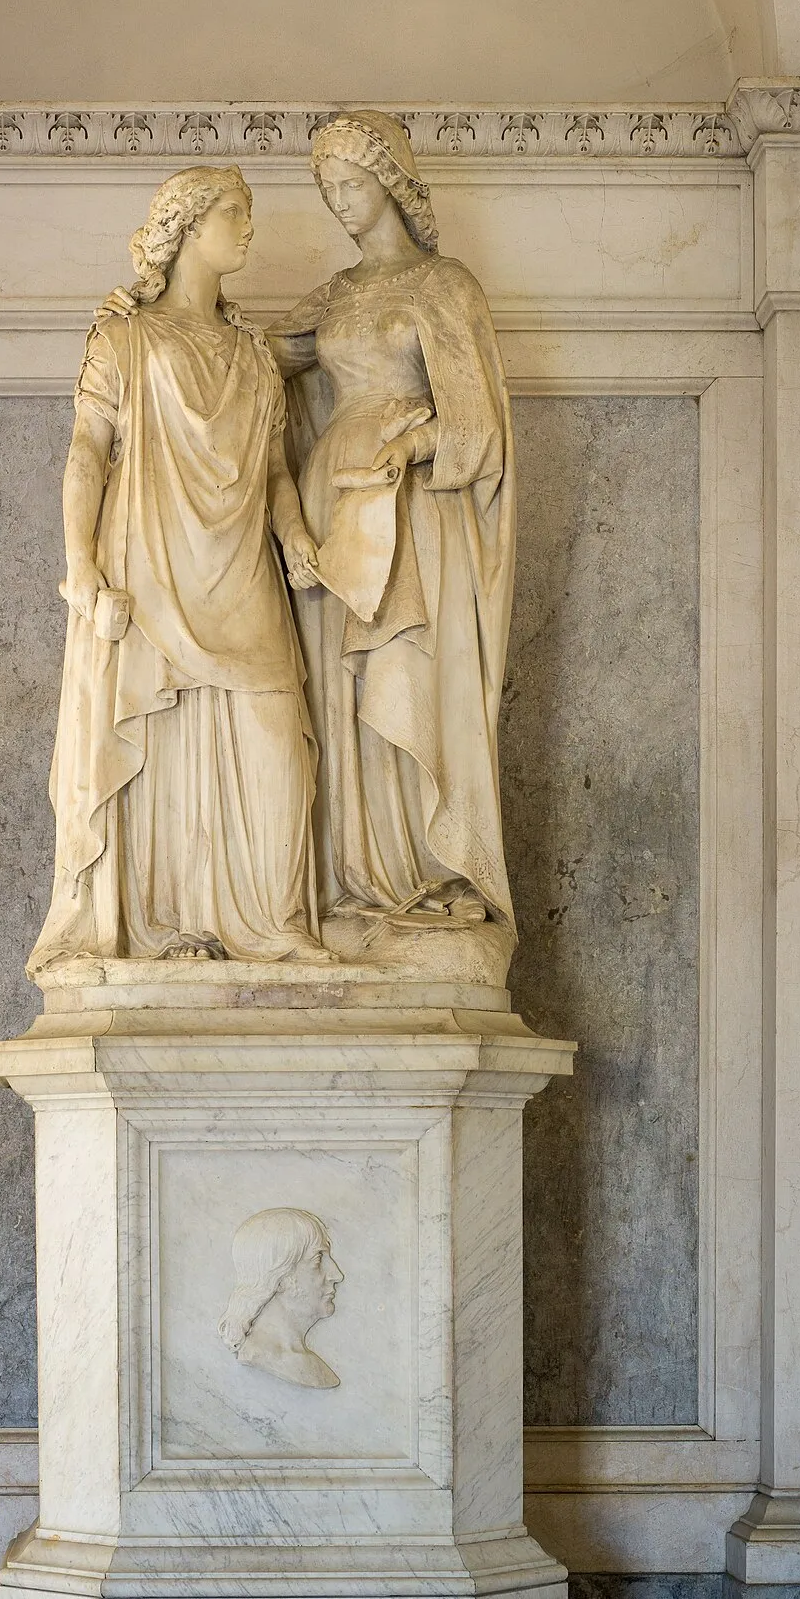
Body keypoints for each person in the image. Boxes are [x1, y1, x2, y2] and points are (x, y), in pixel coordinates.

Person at [28, 165, 329, 974]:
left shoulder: (255, 354)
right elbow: (87, 450)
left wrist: (296, 536)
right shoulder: (124, 337)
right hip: (149, 563)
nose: (248, 228)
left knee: (277, 737)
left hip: (241, 571)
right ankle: (163, 929)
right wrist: (80, 563)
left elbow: (271, 472)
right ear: (192, 226)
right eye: (236, 213)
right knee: (156, 737)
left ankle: (276, 922)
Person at [274, 111, 516, 975]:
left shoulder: (444, 286)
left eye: (351, 183)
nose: (340, 202)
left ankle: (426, 869)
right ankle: (358, 882)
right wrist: (158, 317)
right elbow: (251, 365)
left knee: (407, 669)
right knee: (338, 691)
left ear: (390, 182)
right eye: (327, 188)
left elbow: (479, 424)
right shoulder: (335, 296)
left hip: (414, 507)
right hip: (334, 501)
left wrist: (414, 446)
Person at [218, 1207, 343, 1388]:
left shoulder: (316, 1369)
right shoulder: (257, 1356)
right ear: (279, 1277)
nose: (337, 1275)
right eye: (318, 1259)